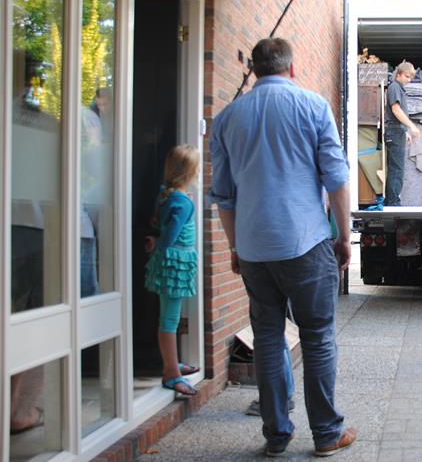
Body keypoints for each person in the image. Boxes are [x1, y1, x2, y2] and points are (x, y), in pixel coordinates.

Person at [209, 38, 356, 457]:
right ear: (292, 68)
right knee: (318, 337)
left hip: (254, 248)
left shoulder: (227, 119)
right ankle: (327, 434)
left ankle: (276, 436)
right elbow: (337, 179)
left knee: (268, 337)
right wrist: (344, 237)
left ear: (255, 71)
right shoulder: (313, 107)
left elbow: (224, 196)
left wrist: (236, 247)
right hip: (306, 242)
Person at [144, 144, 201, 396]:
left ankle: (172, 362)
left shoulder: (168, 196)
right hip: (175, 263)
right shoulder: (183, 202)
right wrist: (161, 247)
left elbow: (163, 230)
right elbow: (170, 235)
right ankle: (171, 374)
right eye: (197, 168)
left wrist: (157, 244)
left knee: (169, 317)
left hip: (170, 261)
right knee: (169, 319)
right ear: (189, 173)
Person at [383, 61, 420, 206]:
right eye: (406, 76)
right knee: (396, 169)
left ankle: (391, 201)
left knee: (397, 168)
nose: (409, 80)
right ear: (398, 74)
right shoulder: (394, 87)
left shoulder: (398, 88)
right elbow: (396, 110)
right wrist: (411, 126)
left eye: (411, 77)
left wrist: (405, 131)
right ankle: (393, 203)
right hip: (394, 132)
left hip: (397, 131)